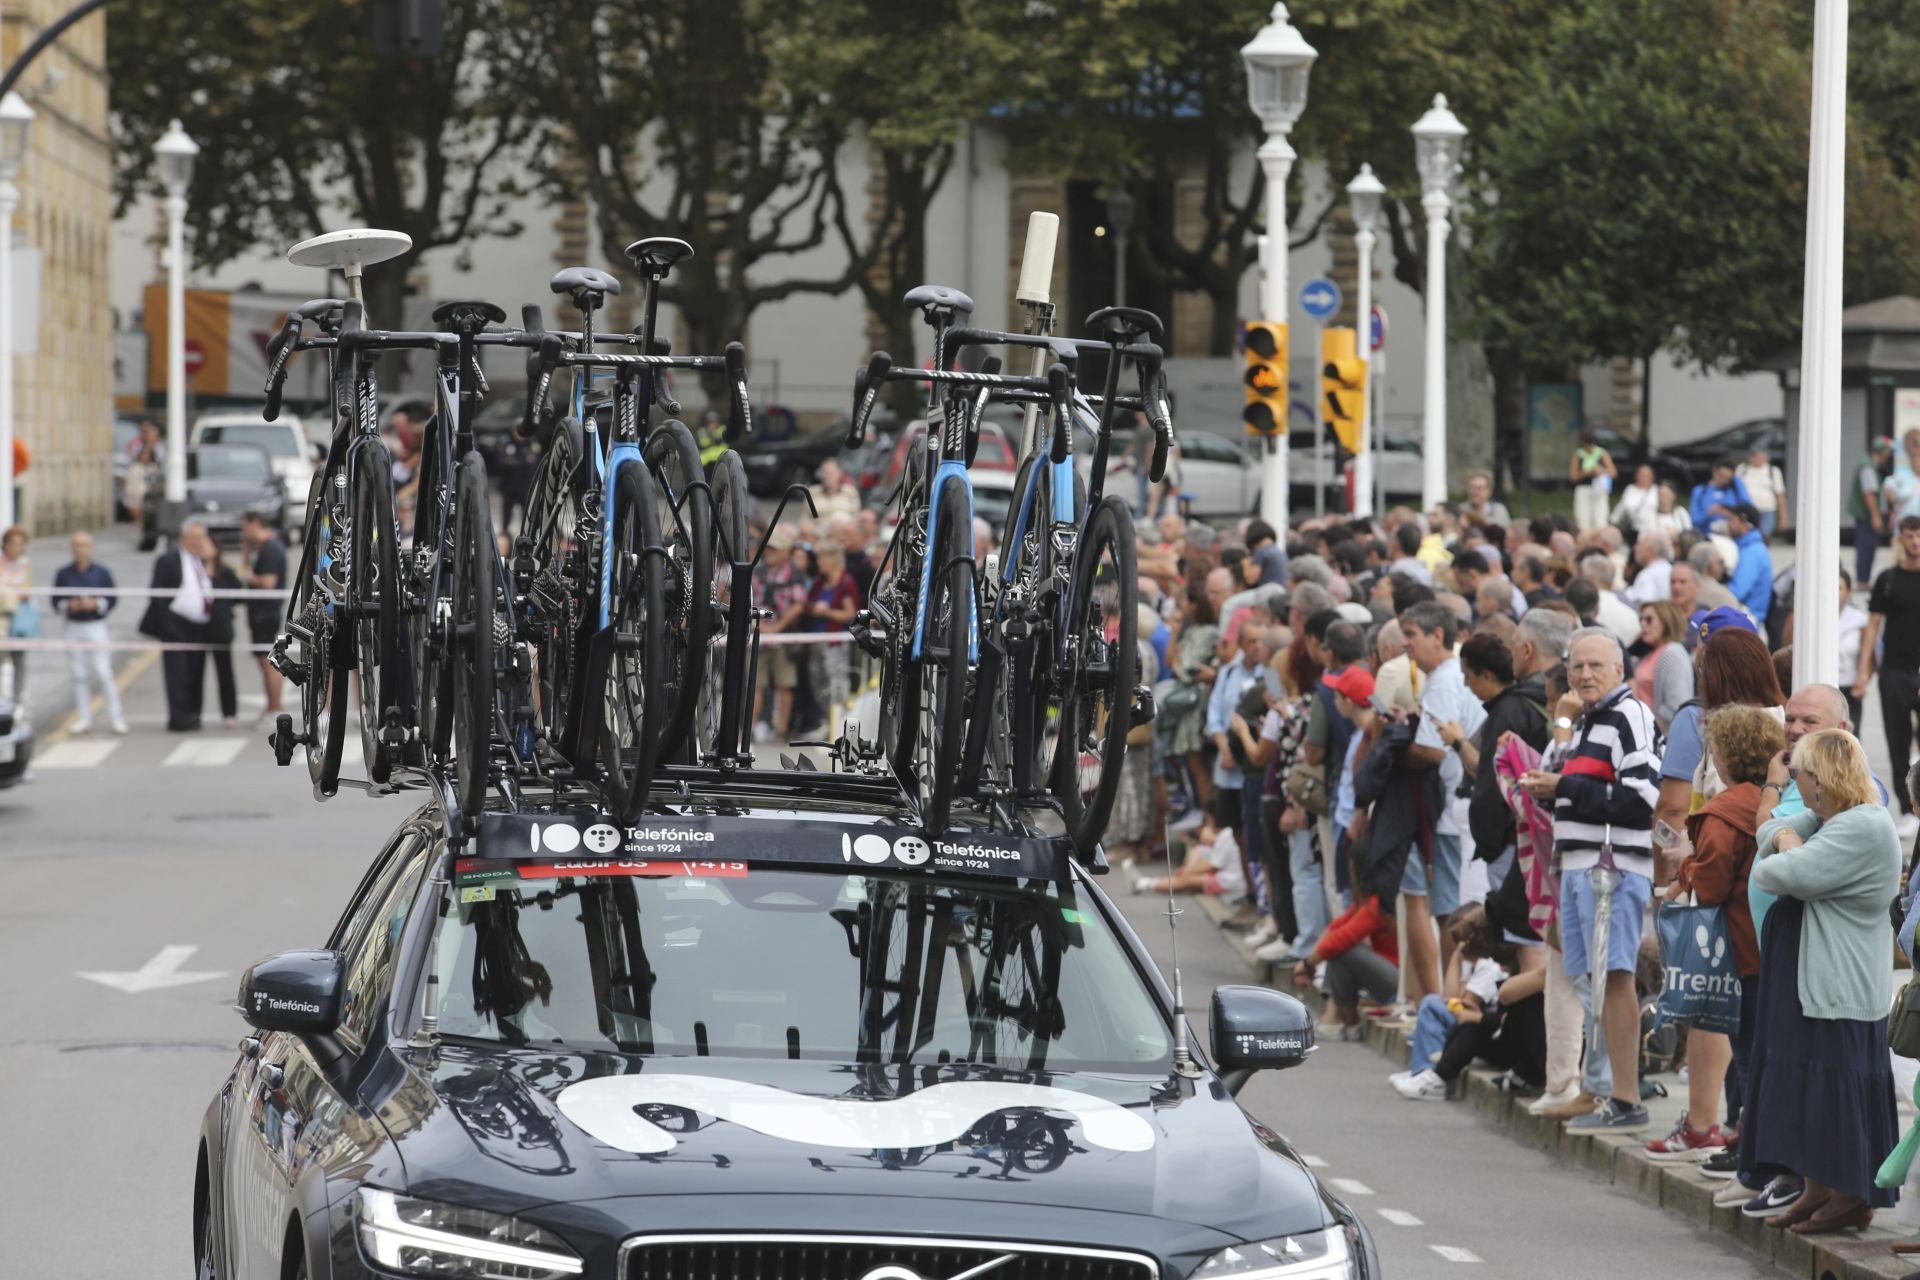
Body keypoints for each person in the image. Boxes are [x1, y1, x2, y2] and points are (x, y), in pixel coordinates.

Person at [1741, 731, 1901, 1234]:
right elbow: (1767, 830)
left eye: (1803, 776)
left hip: (1839, 986)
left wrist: (1784, 844)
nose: (1798, 784)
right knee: (1805, 1083)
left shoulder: (1863, 826)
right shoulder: (1828, 819)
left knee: (1833, 1083)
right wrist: (1783, 838)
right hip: (1812, 982)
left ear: (1822, 778)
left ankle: (1849, 1194)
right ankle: (1816, 1187)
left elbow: (1783, 873)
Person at [1519, 628, 1659, 1133]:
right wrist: (1553, 778)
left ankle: (1625, 1098)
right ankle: (1600, 1090)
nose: (1584, 675)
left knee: (1613, 977)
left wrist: (1564, 786)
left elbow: (1641, 798)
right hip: (1580, 865)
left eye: (1596, 665)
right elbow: (1558, 782)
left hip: (1611, 865)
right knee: (1589, 981)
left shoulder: (1630, 715)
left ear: (1620, 670)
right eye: (1576, 667)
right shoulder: (1586, 720)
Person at [1645, 705, 1783, 1160]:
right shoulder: (1770, 801)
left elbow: (1710, 884)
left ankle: (1751, 1147)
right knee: (1765, 1051)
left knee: (1748, 1053)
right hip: (1772, 943)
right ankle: (1756, 1142)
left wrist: (1682, 860)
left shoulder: (1723, 811)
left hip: (1739, 949)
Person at [1399, 601, 1483, 1004]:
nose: (1405, 644)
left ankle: (1449, 1004)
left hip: (1451, 812)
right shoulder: (1446, 676)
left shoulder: (1443, 680)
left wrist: (1398, 751)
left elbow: (1432, 751)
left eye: (1412, 634)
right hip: (1454, 810)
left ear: (1437, 635)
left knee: (1450, 915)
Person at [1853, 515, 1920, 835]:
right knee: (1897, 740)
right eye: (1909, 536)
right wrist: (1864, 672)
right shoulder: (1887, 579)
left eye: (1919, 536)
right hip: (1894, 669)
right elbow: (1872, 629)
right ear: (1900, 538)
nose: (1915, 542)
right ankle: (1907, 808)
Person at [139, 521, 217, 732]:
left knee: (195, 672)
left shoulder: (202, 561)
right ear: (184, 538)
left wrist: (212, 560)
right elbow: (158, 595)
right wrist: (168, 626)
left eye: (202, 537)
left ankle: (194, 713)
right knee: (177, 673)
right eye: (195, 538)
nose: (199, 542)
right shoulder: (168, 560)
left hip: (199, 626)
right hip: (176, 625)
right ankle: (179, 717)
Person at [51, 531, 125, 735]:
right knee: (79, 674)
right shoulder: (63, 573)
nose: (78, 550)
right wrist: (69, 606)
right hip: (73, 626)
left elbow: (112, 599)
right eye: (75, 546)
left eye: (82, 545)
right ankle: (84, 717)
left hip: (95, 625)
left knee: (103, 672)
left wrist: (96, 603)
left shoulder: (101, 572)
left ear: (90, 548)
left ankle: (116, 716)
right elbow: (55, 601)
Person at [752, 525, 811, 743]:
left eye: (774, 549)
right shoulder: (758, 571)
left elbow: (799, 605)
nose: (769, 553)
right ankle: (750, 729)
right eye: (768, 549)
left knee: (785, 684)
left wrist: (777, 628)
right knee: (755, 684)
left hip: (783, 638)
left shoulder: (793, 574)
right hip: (759, 634)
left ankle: (782, 731)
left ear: (786, 551)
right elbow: (749, 599)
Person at [240, 510, 287, 719]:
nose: (244, 532)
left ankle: (275, 707)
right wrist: (247, 551)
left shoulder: (271, 548)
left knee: (269, 662)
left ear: (255, 523)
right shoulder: (264, 547)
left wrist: (249, 576)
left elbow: (268, 583)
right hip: (261, 612)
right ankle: (271, 705)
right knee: (264, 661)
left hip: (265, 612)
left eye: (245, 527)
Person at [1632, 600, 1693, 731]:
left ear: (1666, 621)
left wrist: (1648, 730)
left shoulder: (1672, 652)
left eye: (1649, 620)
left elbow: (1676, 705)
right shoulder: (1650, 654)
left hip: (1658, 737)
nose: (1643, 624)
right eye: (1641, 620)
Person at [204, 544, 243, 729]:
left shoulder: (225, 572)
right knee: (194, 672)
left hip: (221, 628)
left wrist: (224, 608)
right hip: (199, 629)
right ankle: (193, 712)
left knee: (225, 672)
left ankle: (229, 712)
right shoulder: (194, 570)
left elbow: (239, 594)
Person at [1850, 436, 1894, 588]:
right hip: (1866, 516)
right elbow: (1869, 493)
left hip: (1867, 515)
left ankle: (1864, 579)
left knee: (1868, 546)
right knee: (1866, 547)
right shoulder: (1868, 467)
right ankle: (1863, 580)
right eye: (1887, 452)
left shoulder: (1871, 465)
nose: (1888, 455)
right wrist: (1876, 516)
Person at [1725, 503, 1774, 623]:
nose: (1729, 524)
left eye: (1732, 519)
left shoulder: (1753, 551)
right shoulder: (1749, 548)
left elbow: (1737, 591)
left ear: (1743, 521)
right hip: (1743, 618)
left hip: (1747, 621)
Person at [1836, 570, 1869, 729]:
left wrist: (1863, 678)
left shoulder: (1859, 620)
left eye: (1839, 588)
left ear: (1848, 592)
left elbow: (1868, 653)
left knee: (1851, 735)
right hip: (1821, 684)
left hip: (1849, 687)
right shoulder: (1810, 615)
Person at [1737, 447, 1789, 540]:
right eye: (1753, 456)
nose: (1755, 458)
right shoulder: (1742, 469)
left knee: (1764, 535)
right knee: (1748, 534)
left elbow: (1780, 494)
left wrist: (1783, 517)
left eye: (1758, 455)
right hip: (1748, 510)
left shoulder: (1773, 471)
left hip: (1767, 509)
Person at [0, 523, 29, 688]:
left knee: (20, 661)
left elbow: (27, 592)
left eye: (20, 544)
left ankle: (18, 702)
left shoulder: (25, 564)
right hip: (2, 619)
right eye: (13, 543)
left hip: (19, 619)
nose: (16, 548)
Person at [1691, 458, 1754, 534]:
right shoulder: (1700, 491)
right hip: (1706, 534)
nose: (1723, 480)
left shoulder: (1734, 490)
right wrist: (1708, 514)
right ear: (1714, 471)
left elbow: (1748, 509)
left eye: (1727, 478)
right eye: (1721, 476)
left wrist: (1731, 515)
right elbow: (1694, 520)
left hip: (1731, 535)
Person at [1569, 430, 1616, 532]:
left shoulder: (1602, 453)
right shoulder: (1578, 455)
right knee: (1583, 520)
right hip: (1584, 489)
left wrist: (1601, 471)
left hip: (1599, 489)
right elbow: (1573, 476)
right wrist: (1585, 473)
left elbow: (1613, 472)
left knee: (1600, 519)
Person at [123, 418, 164, 528]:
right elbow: (129, 462)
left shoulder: (160, 449)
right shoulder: (136, 448)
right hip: (137, 479)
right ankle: (139, 522)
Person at [1622, 530, 1673, 607]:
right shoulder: (1671, 569)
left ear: (1651, 549)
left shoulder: (1648, 575)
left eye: (1639, 544)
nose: (1635, 548)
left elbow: (1644, 604)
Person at [1611, 464, 1660, 538]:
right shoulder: (1630, 490)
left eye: (1647, 475)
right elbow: (1621, 507)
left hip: (1655, 530)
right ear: (1636, 476)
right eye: (1641, 474)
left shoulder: (1656, 490)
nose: (1644, 477)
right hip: (1635, 530)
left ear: (1652, 477)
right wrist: (1612, 521)